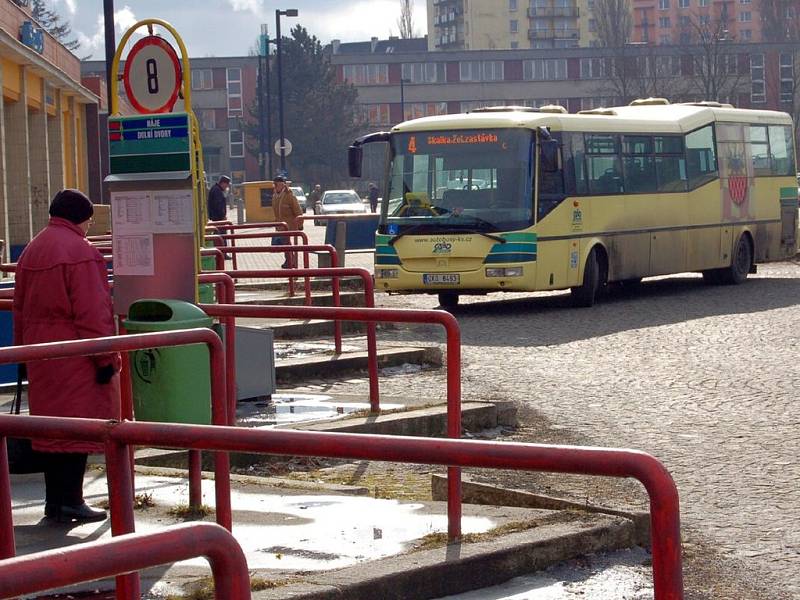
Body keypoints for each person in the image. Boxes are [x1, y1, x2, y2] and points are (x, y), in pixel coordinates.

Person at [13, 190, 120, 524]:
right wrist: (106, 360)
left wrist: (22, 352)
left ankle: (55, 501)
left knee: (52, 430)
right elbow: (92, 313)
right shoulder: (81, 252)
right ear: (82, 218)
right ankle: (72, 501)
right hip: (74, 353)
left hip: (41, 352)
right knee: (77, 427)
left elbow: (20, 308)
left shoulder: (34, 248)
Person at [271, 175, 303, 268]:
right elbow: (276, 212)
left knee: (286, 244)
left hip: (290, 225)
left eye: (277, 184)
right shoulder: (275, 196)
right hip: (281, 225)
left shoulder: (289, 195)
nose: (275, 186)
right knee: (285, 244)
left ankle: (290, 261)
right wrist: (276, 225)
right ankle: (290, 260)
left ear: (282, 185)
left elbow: (297, 210)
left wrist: (300, 224)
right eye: (274, 184)